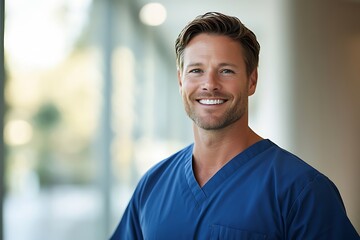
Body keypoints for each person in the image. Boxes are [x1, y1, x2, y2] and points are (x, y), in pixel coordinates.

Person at [110, 12, 359, 239]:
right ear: (180, 80)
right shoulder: (152, 186)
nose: (210, 84)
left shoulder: (302, 191)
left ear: (252, 81)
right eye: (196, 70)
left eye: (226, 71)